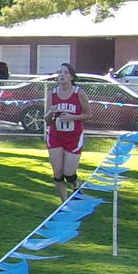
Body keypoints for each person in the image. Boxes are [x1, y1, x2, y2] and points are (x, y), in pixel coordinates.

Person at [46, 62, 90, 201]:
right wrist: (50, 113)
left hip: (74, 137)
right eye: (59, 72)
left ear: (71, 76)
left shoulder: (79, 92)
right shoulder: (52, 94)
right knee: (58, 174)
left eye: (65, 72)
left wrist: (72, 117)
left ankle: (76, 184)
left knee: (69, 173)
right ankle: (64, 203)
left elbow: (88, 114)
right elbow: (47, 120)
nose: (61, 75)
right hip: (56, 136)